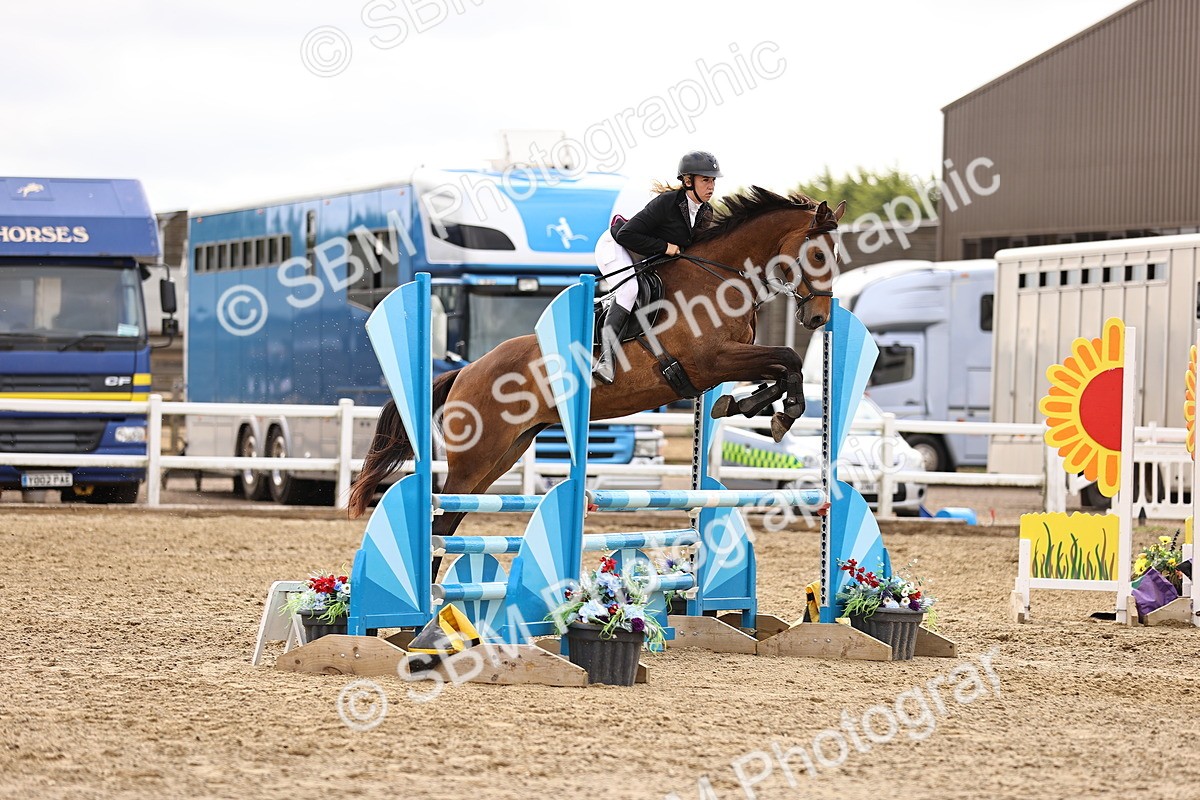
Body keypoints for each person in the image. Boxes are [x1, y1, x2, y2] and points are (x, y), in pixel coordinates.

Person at [592, 150, 722, 384]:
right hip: (615, 246)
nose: (711, 186)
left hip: (643, 254)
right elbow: (626, 234)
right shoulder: (667, 203)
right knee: (629, 290)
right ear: (688, 181)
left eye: (713, 180)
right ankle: (605, 359)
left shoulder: (705, 211)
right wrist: (665, 246)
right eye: (706, 180)